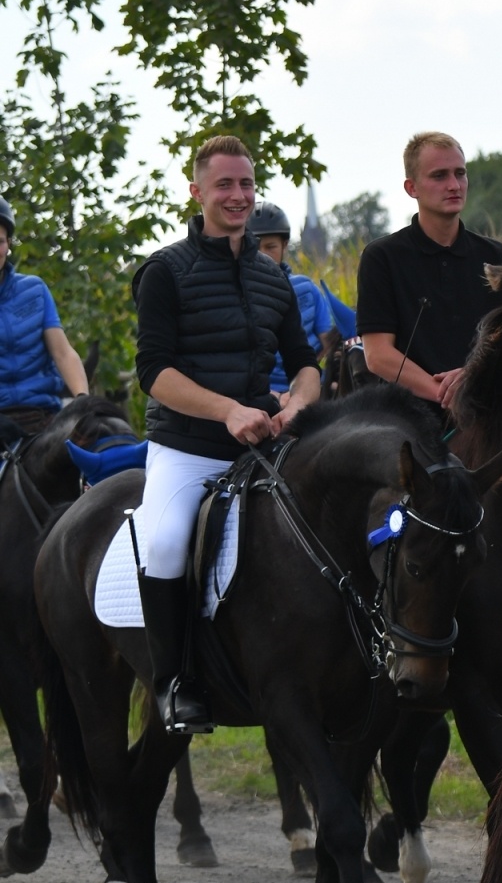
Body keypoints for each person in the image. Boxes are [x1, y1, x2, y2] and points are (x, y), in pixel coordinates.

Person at [132, 136, 321, 733]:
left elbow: (305, 364)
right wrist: (227, 411)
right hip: (187, 449)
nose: (238, 196)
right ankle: (174, 683)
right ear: (197, 192)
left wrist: (297, 408)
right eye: (224, 185)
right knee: (166, 542)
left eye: (246, 185)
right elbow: (154, 373)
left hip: (264, 445)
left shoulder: (274, 278)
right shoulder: (164, 272)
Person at [355, 132, 502, 418]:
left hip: (490, 409)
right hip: (407, 418)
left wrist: (472, 378)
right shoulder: (382, 257)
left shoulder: (498, 257)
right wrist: (447, 394)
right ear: (412, 188)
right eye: (439, 176)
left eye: (460, 173)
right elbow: (378, 355)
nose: (454, 185)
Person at [0, 196, 90, 432]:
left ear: (9, 243)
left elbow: (62, 353)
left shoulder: (35, 290)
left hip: (42, 414)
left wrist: (83, 400)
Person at [247, 201, 333, 396]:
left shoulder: (307, 290)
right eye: (255, 247)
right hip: (261, 393)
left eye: (270, 247)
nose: (263, 255)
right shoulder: (237, 294)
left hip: (308, 387)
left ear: (284, 246)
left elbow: (328, 341)